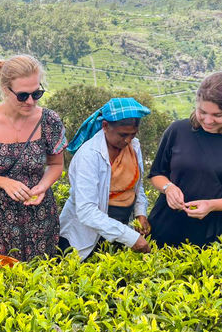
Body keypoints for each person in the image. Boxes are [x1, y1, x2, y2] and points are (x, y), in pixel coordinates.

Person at [0, 54, 67, 261]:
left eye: (36, 94)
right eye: (22, 95)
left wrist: (43, 186)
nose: (30, 101)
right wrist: (4, 183)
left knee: (40, 278)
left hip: (40, 216)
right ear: (5, 89)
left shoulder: (49, 120)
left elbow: (56, 164)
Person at [59, 98, 152, 261]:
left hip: (121, 227)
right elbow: (87, 211)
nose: (128, 140)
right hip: (88, 235)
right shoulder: (89, 155)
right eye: (123, 135)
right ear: (105, 127)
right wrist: (130, 237)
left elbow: (137, 186)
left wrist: (140, 213)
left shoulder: (133, 146)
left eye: (133, 134)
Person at [148, 72, 222, 247]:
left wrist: (211, 205)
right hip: (164, 228)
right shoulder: (178, 130)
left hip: (212, 238)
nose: (208, 120)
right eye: (202, 112)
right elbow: (157, 173)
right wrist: (169, 188)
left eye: (217, 115)